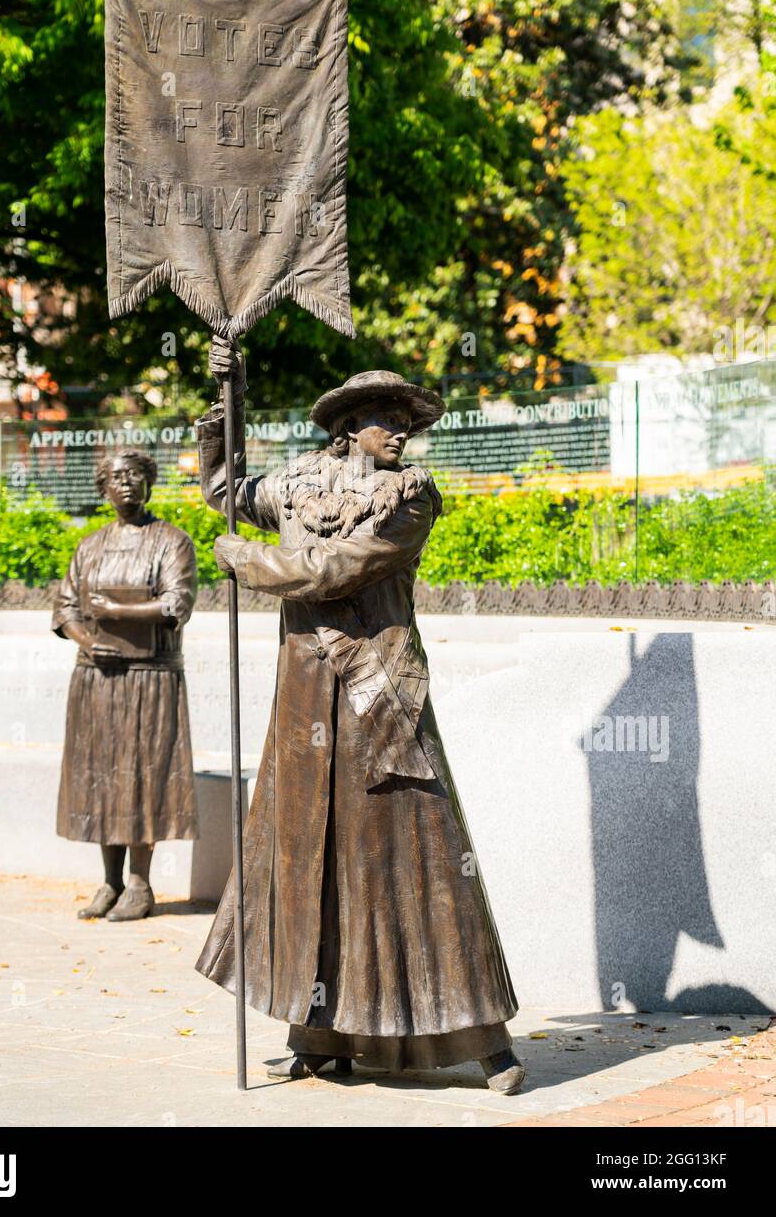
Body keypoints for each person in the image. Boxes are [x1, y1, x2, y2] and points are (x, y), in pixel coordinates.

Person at [194, 337, 524, 1091]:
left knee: (419, 853)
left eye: (405, 417)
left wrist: (249, 563)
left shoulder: (409, 497)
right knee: (312, 853)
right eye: (383, 416)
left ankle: (479, 1033)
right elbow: (223, 489)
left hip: (380, 692)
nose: (399, 428)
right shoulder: (294, 487)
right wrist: (224, 404)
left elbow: (340, 569)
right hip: (305, 696)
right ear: (344, 428)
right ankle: (321, 1028)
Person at [53, 448, 198, 921]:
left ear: (149, 483)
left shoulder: (172, 542)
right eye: (117, 476)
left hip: (150, 676)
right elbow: (65, 608)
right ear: (103, 488)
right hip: (97, 678)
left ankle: (141, 884)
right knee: (101, 776)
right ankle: (110, 882)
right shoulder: (88, 547)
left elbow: (177, 602)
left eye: (136, 475)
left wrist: (116, 613)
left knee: (144, 775)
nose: (127, 483)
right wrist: (89, 643)